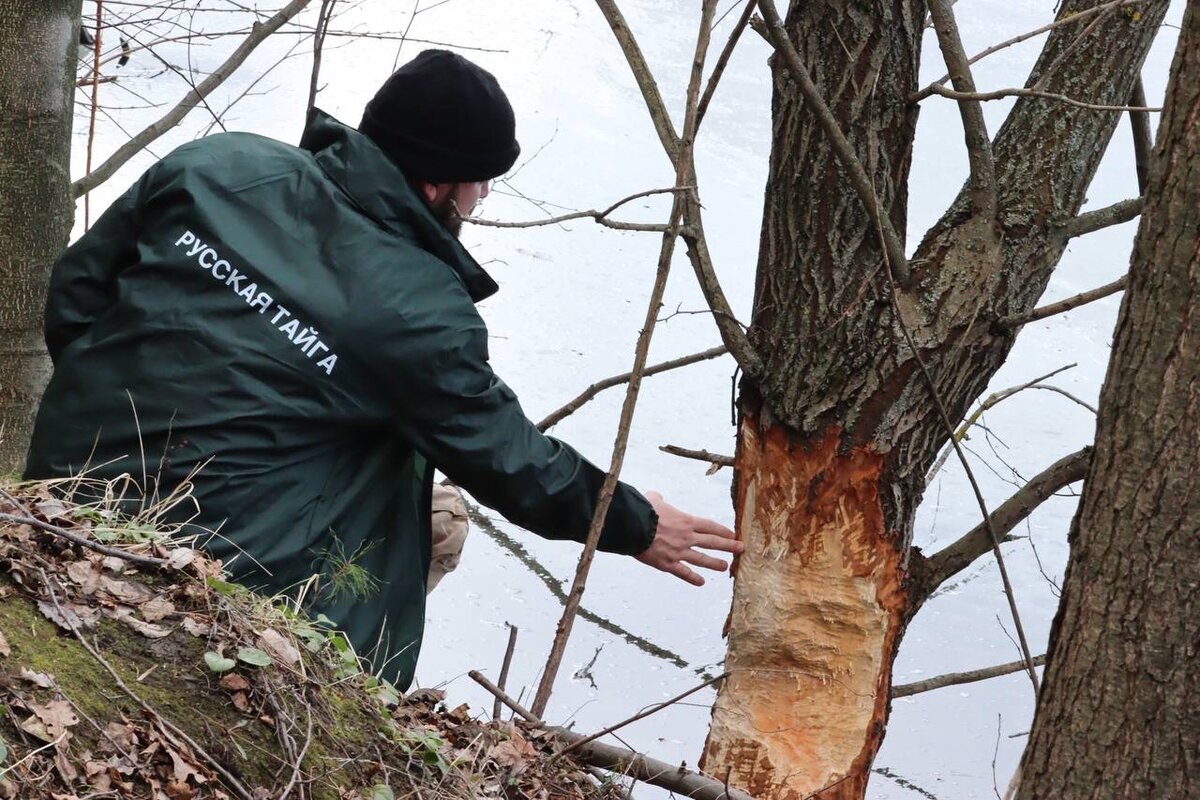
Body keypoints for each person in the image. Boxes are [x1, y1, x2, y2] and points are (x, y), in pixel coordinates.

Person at [24, 49, 740, 688]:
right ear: (436, 185)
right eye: (477, 182)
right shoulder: (418, 311)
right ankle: (330, 682)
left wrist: (112, 403)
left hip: (68, 486)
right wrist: (638, 524)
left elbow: (79, 294)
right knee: (443, 519)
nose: (480, 197)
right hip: (220, 572)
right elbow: (515, 464)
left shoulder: (220, 165)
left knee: (435, 508)